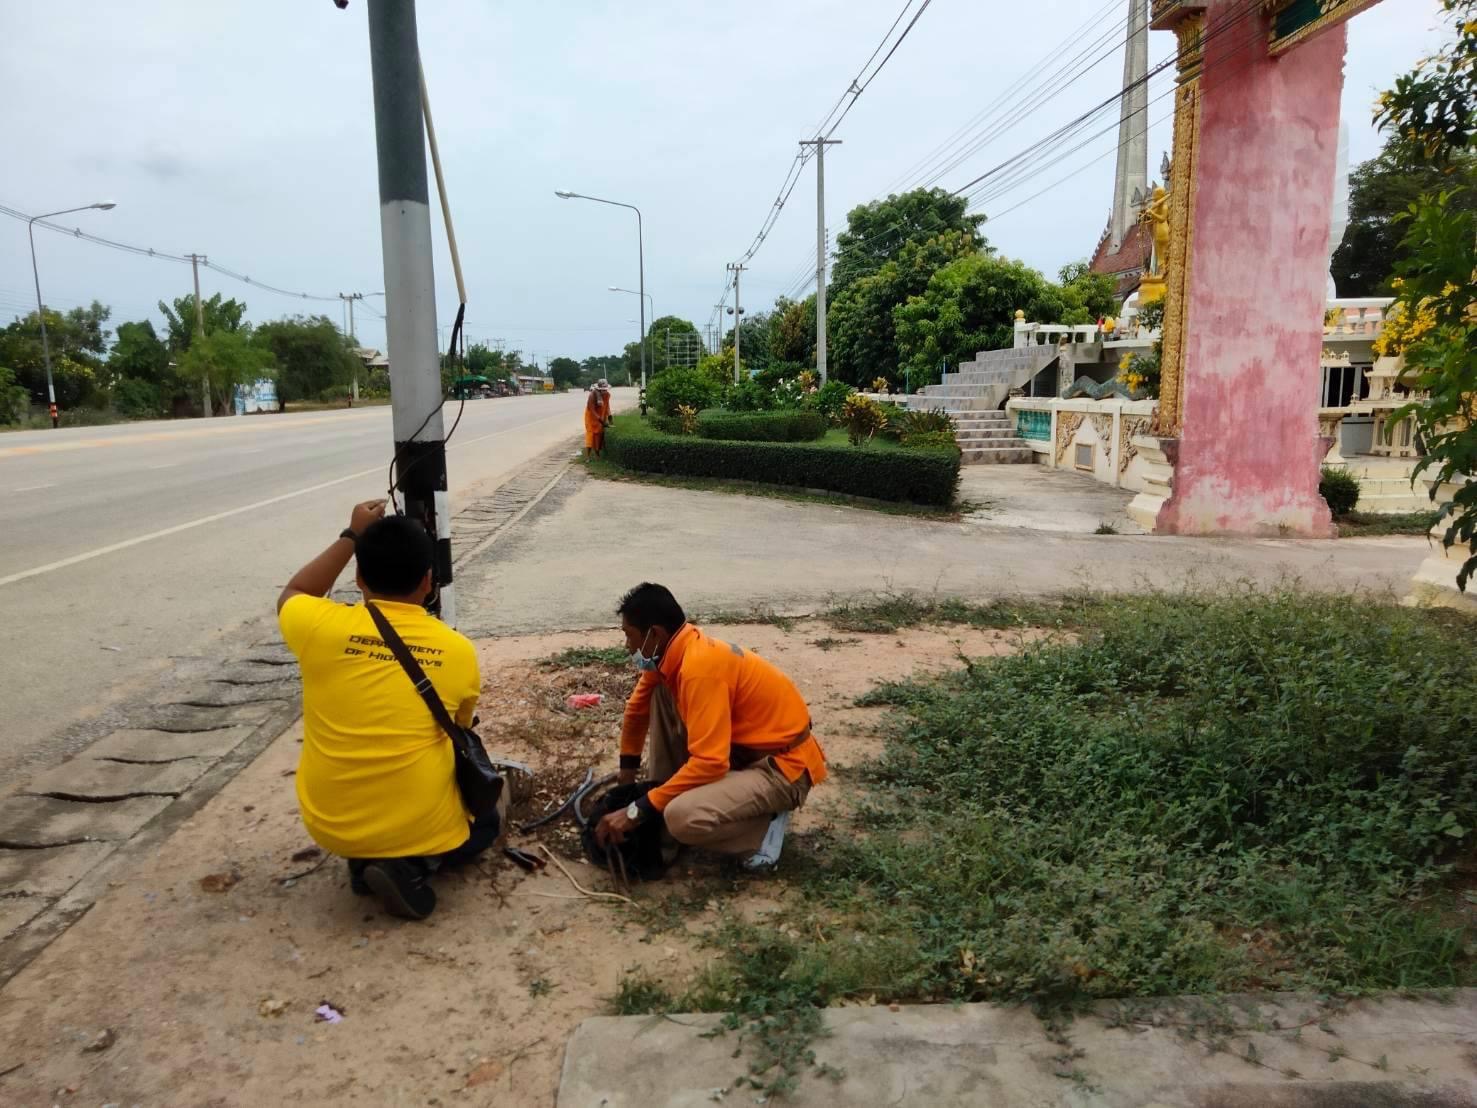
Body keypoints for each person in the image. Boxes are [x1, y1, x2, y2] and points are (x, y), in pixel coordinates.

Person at [275, 499, 500, 920]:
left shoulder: (318, 627)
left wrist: (352, 534)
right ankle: (414, 865)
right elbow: (460, 726)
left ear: (358, 577)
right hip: (419, 825)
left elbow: (296, 592)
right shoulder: (457, 651)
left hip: (329, 823)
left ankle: (365, 857)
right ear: (429, 581)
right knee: (487, 823)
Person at [595, 583, 826, 872]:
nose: (628, 647)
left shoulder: (699, 670)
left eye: (630, 636)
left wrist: (637, 810)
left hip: (782, 769)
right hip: (741, 753)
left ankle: (764, 829)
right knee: (659, 694)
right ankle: (663, 800)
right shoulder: (673, 651)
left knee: (681, 818)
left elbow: (711, 763)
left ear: (655, 634)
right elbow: (636, 710)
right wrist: (627, 781)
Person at [584, 379, 612, 459]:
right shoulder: (592, 396)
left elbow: (607, 406)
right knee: (590, 434)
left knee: (599, 434)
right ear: (599, 389)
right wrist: (601, 421)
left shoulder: (607, 395)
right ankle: (588, 456)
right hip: (590, 416)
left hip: (601, 414)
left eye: (605, 389)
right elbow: (592, 410)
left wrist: (609, 416)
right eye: (603, 390)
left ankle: (597, 453)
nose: (604, 391)